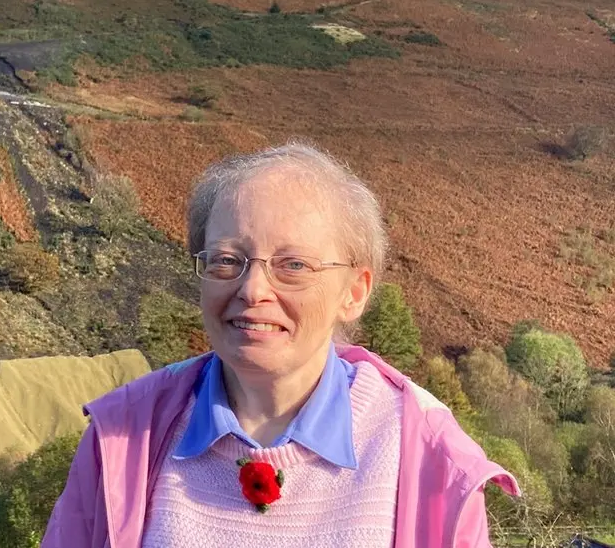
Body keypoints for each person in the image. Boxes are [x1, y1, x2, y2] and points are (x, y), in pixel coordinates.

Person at [42, 142, 519, 548]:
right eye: (228, 259)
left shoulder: (432, 461)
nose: (252, 290)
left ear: (353, 293)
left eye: (293, 265)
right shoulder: (124, 437)